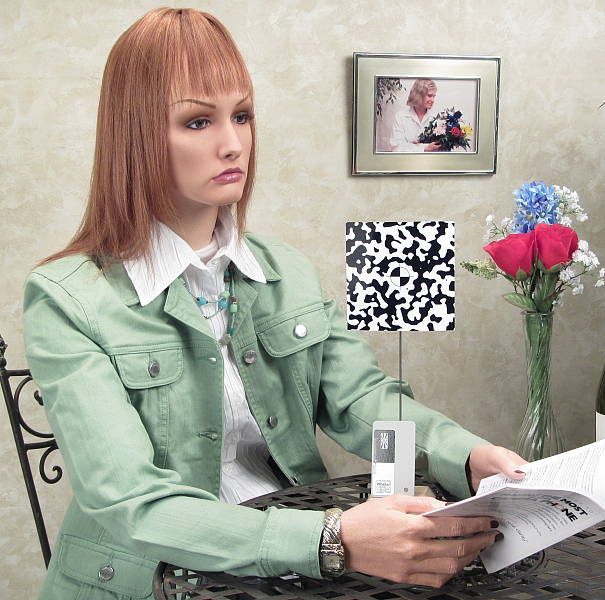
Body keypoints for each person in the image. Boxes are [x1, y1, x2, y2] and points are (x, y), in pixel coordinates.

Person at [22, 8, 526, 599]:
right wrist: (331, 539)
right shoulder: (65, 298)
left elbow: (359, 399)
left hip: (295, 570)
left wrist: (468, 455)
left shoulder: (284, 268)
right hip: (157, 580)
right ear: (135, 135)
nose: (233, 144)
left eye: (242, 116)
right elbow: (131, 501)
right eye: (197, 121)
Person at [388, 79, 442, 152]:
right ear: (418, 95)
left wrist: (412, 146)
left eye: (434, 96)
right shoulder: (401, 116)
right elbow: (396, 148)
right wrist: (424, 148)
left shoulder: (437, 117)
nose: (432, 100)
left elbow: (440, 147)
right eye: (429, 96)